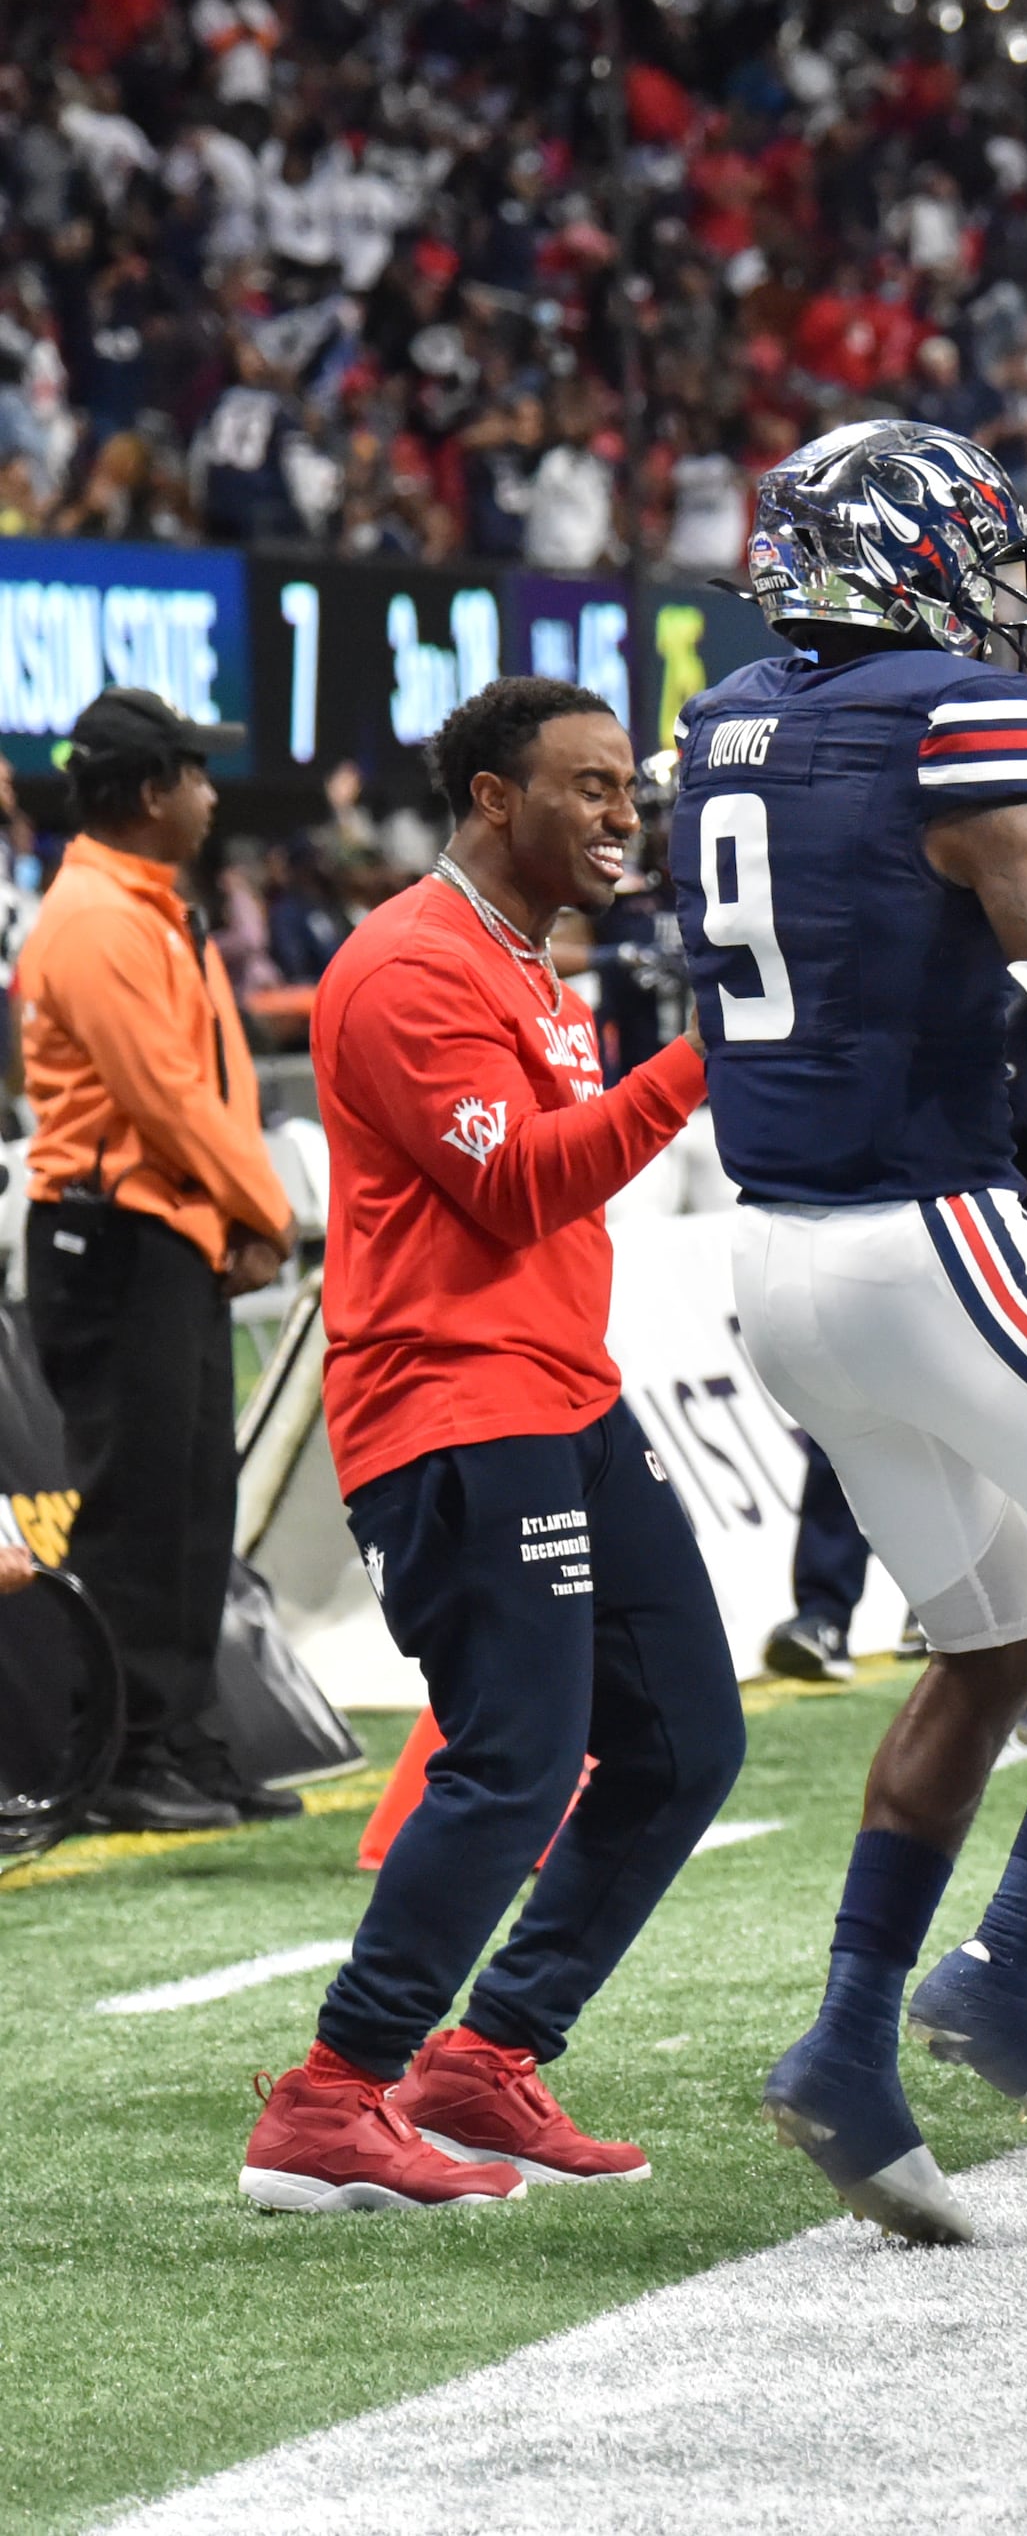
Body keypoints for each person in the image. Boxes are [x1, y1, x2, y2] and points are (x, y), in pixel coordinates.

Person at [683, 421, 1027, 2245]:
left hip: (772, 1261)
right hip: (930, 1241)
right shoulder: (953, 709)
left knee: (992, 1642)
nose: (1005, 607)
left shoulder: (726, 719)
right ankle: (1004, 1968)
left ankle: (847, 2042)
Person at [237, 677, 735, 2212]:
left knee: (683, 1743)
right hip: (453, 1405)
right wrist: (714, 1053)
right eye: (585, 786)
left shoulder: (528, 966)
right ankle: (332, 2096)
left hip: (562, 1393)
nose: (618, 814)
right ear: (490, 798)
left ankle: (488, 2056)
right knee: (518, 1758)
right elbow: (518, 1187)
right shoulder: (405, 966)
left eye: (624, 790)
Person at [18, 687, 295, 1834]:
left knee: (190, 1496)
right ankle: (121, 1754)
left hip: (167, 1230)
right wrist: (269, 1209)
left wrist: (228, 1218)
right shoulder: (92, 918)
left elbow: (203, 1084)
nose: (211, 793)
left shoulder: (143, 904)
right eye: (194, 773)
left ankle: (176, 1733)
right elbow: (166, 1099)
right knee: (136, 1502)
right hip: (112, 1236)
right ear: (148, 794)